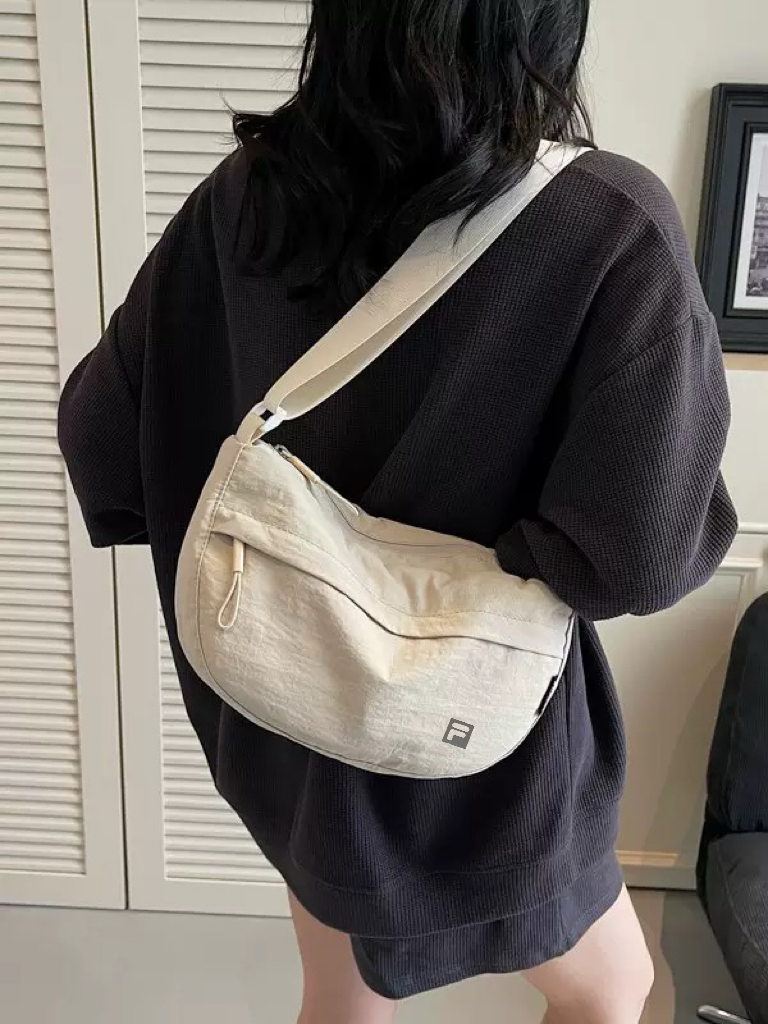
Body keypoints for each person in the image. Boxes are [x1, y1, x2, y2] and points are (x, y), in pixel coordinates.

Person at [58, 0, 737, 1020]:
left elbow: (101, 438)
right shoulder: (608, 225)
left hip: (286, 713)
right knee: (615, 989)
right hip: (480, 754)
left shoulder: (247, 197)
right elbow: (638, 554)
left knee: (340, 1003)